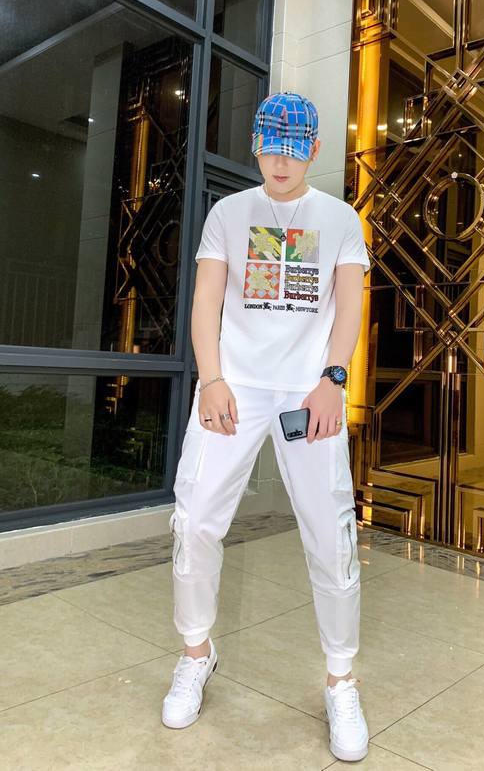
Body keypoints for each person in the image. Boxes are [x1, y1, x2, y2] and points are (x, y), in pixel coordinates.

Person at [161, 91, 371, 762]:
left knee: (330, 534)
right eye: (270, 148)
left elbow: (349, 307)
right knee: (196, 519)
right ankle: (196, 652)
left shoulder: (339, 219)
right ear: (255, 147)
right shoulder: (229, 213)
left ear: (313, 151)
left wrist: (333, 378)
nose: (281, 162)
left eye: (294, 150)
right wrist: (212, 378)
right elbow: (206, 301)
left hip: (309, 393)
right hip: (235, 387)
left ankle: (341, 678)